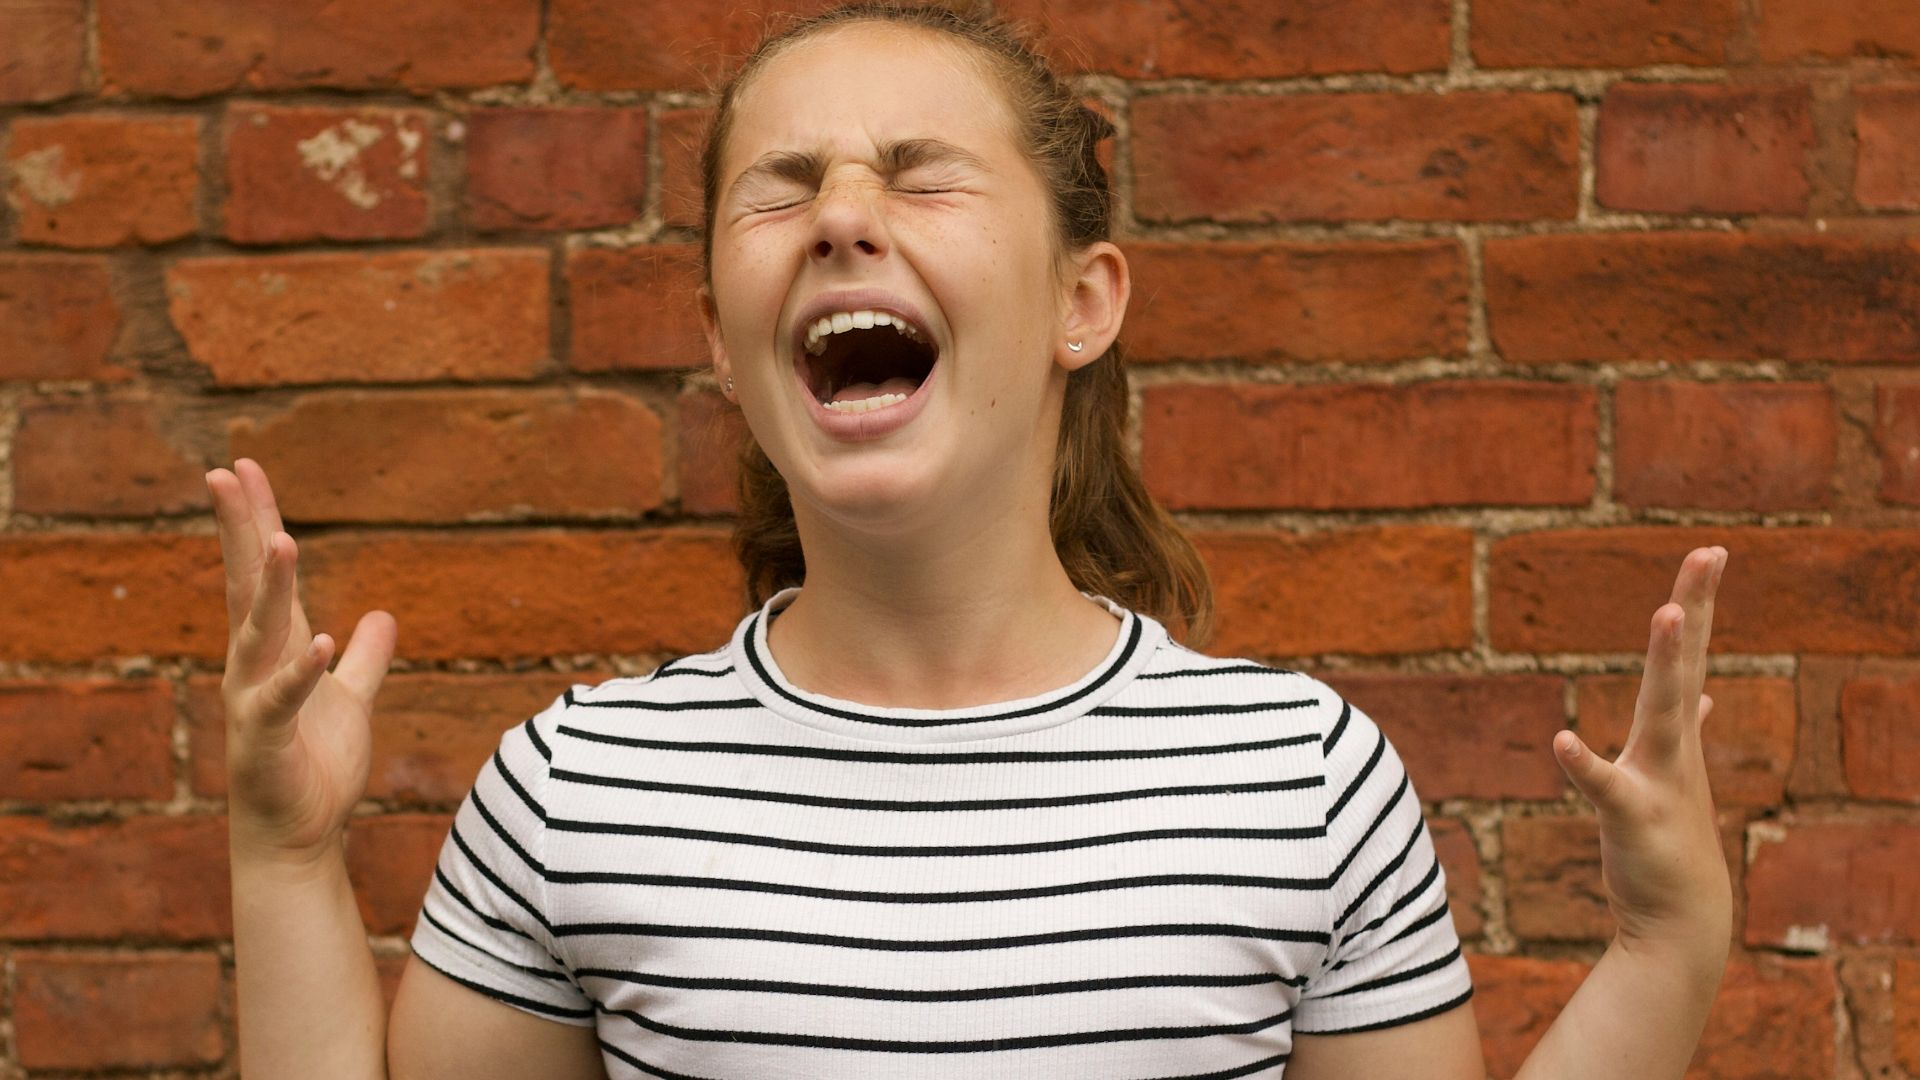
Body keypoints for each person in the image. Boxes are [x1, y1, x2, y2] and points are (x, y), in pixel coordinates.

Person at [208, 2, 1733, 1077]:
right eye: (784, 187)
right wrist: (282, 860)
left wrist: (1663, 954)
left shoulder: (1300, 778)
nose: (841, 217)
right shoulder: (574, 792)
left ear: (1085, 300)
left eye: (921, 172)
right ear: (726, 350)